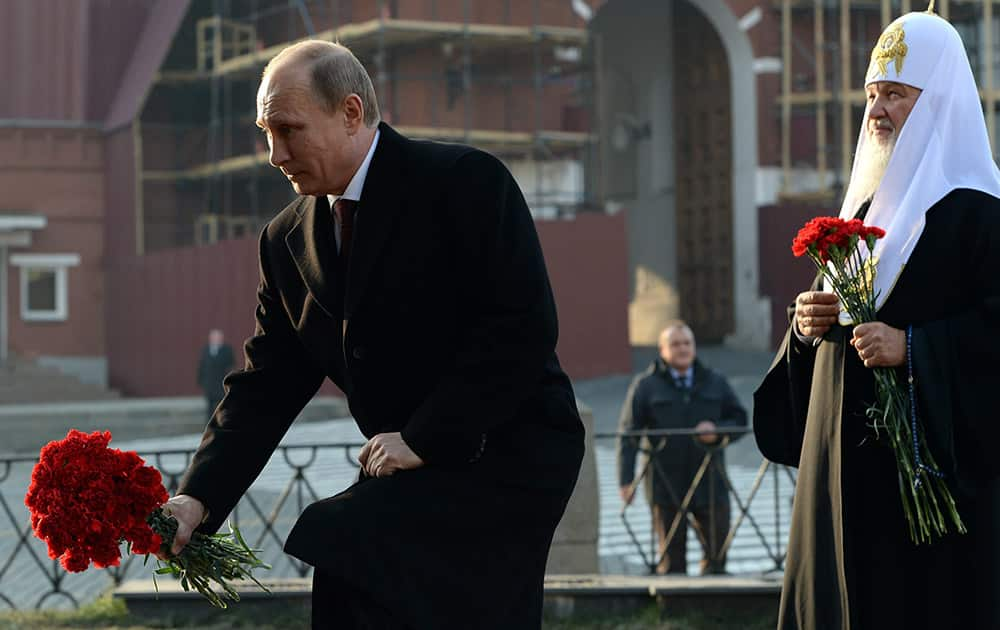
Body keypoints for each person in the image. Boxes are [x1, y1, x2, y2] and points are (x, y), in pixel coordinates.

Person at [159, 40, 584, 629]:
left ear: (351, 113)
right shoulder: (284, 239)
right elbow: (266, 382)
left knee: (367, 556)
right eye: (265, 132)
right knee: (353, 571)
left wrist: (426, 436)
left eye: (288, 130)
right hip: (404, 465)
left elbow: (522, 326)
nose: (274, 153)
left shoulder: (464, 182)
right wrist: (197, 498)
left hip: (504, 446)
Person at [753, 9, 1000, 629]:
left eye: (895, 93)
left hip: (927, 513)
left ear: (938, 102)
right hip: (840, 489)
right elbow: (826, 338)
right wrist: (806, 327)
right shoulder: (864, 212)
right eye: (871, 94)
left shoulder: (980, 217)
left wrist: (914, 347)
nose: (876, 110)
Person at [617, 322, 746, 575]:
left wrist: (718, 430)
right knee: (672, 562)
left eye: (687, 343)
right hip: (665, 484)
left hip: (711, 482)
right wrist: (626, 480)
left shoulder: (715, 381)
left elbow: (740, 421)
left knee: (717, 557)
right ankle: (674, 611)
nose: (682, 349)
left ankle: (715, 610)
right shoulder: (645, 386)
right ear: (663, 350)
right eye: (675, 344)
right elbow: (628, 434)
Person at [196, 328, 234, 420]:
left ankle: (221, 425)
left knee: (222, 406)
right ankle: (209, 426)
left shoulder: (227, 350)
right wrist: (200, 380)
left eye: (218, 337)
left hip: (221, 384)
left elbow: (231, 366)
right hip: (209, 384)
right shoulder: (205, 350)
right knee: (209, 407)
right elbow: (201, 366)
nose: (216, 339)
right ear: (210, 338)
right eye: (214, 337)